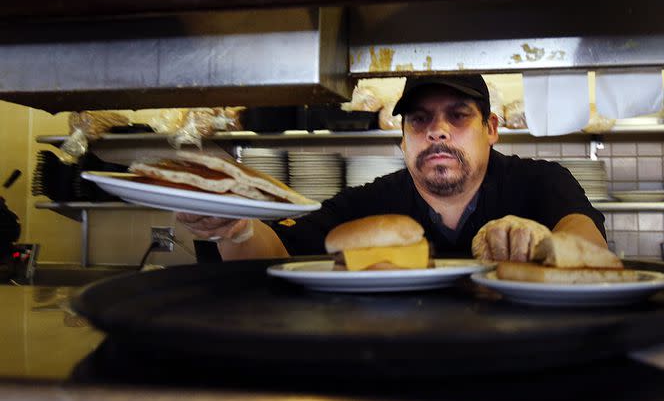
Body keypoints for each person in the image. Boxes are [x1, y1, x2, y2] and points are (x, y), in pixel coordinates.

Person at [178, 75, 607, 261]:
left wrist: (547, 242)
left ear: (491, 128)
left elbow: (589, 246)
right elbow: (277, 254)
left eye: (457, 116)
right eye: (419, 120)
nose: (437, 132)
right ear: (403, 139)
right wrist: (235, 228)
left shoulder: (541, 182)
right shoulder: (372, 204)